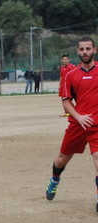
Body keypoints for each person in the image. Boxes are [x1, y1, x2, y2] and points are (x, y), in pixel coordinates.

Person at [45, 36, 98, 212]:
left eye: (88, 49)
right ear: (77, 51)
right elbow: (66, 102)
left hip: (96, 126)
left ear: (94, 50)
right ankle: (54, 179)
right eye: (82, 49)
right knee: (62, 159)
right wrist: (79, 117)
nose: (85, 52)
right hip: (78, 125)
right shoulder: (70, 75)